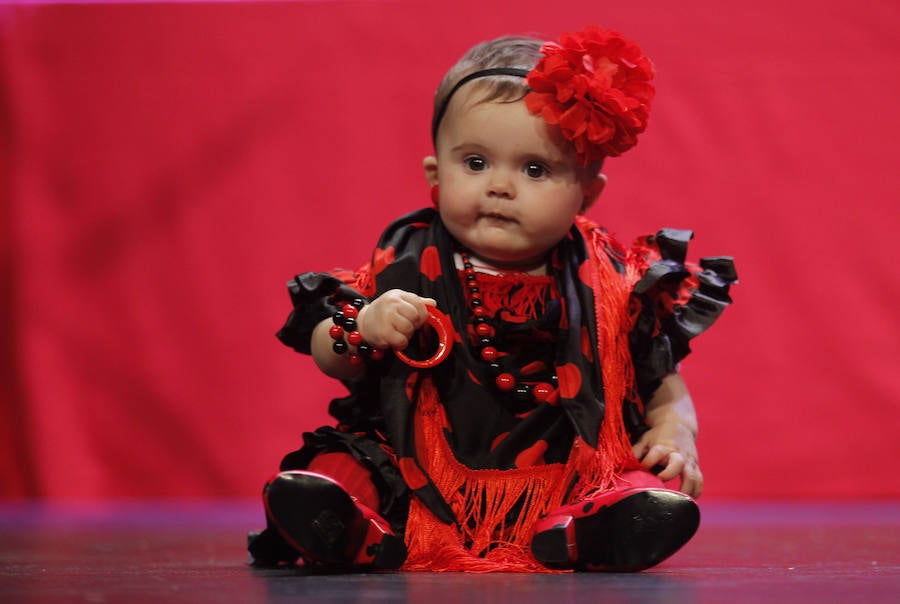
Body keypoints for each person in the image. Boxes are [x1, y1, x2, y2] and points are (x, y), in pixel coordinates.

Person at [248, 25, 736, 573]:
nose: (500, 186)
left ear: (586, 193)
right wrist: (363, 326)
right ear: (435, 175)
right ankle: (347, 523)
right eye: (475, 163)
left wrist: (676, 429)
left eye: (534, 169)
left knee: (629, 476)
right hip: (418, 463)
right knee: (348, 464)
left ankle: (596, 529)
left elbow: (660, 376)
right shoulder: (402, 261)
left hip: (563, 461)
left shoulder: (614, 281)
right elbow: (327, 348)